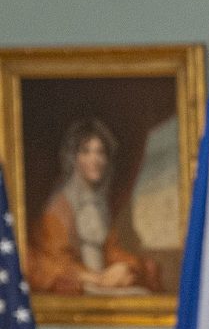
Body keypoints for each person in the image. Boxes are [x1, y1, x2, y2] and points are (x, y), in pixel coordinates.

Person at [27, 119, 162, 295]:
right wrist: (97, 278)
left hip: (102, 281)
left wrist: (126, 266)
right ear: (73, 158)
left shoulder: (99, 203)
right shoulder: (60, 206)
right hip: (80, 284)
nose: (95, 159)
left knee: (143, 294)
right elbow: (54, 262)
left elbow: (110, 250)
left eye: (100, 152)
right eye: (86, 152)